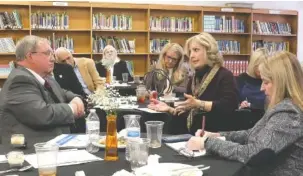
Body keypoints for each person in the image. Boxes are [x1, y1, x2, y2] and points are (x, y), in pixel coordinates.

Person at [187, 51, 303, 175]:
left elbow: (253, 153)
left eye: (266, 82)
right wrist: (216, 135)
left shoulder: (289, 114)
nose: (261, 88)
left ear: (281, 82)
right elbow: (252, 134)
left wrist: (207, 143)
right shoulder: (284, 107)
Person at [148, 32, 239, 133]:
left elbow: (230, 105)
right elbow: (188, 114)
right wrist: (169, 109)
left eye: (196, 50)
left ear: (209, 51)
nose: (191, 56)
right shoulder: (193, 79)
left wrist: (198, 103)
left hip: (215, 135)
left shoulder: (225, 76)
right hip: (192, 135)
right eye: (190, 52)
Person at [0, 35, 85, 139]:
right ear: (30, 56)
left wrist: (75, 98)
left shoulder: (44, 77)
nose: (53, 59)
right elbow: (43, 114)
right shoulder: (19, 81)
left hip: (54, 142)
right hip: (31, 150)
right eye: (47, 53)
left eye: (52, 54)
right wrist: (73, 108)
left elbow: (62, 92)